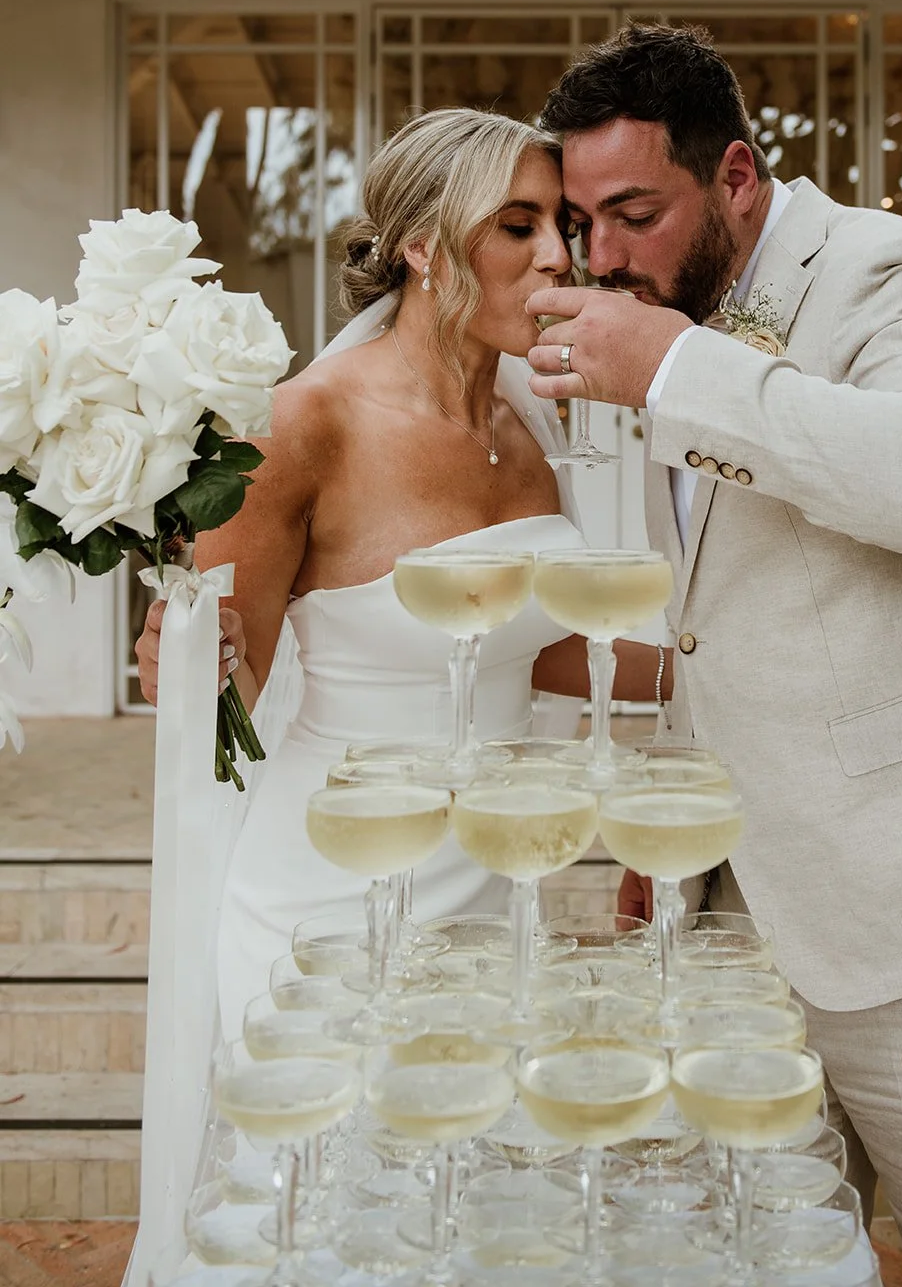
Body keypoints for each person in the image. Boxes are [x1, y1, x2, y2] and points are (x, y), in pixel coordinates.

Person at [526, 24, 902, 1287]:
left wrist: (681, 369)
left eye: (634, 210)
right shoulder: (665, 314)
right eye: (586, 221)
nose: (605, 254)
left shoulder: (889, 266)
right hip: (743, 922)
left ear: (736, 175)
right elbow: (726, 618)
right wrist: (671, 823)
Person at [135, 106, 664, 1036]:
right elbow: (226, 696)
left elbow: (530, 649)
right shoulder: (300, 426)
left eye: (563, 229)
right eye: (518, 226)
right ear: (421, 246)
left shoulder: (527, 426)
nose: (557, 258)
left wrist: (723, 671)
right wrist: (182, 661)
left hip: (498, 894)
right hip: (332, 896)